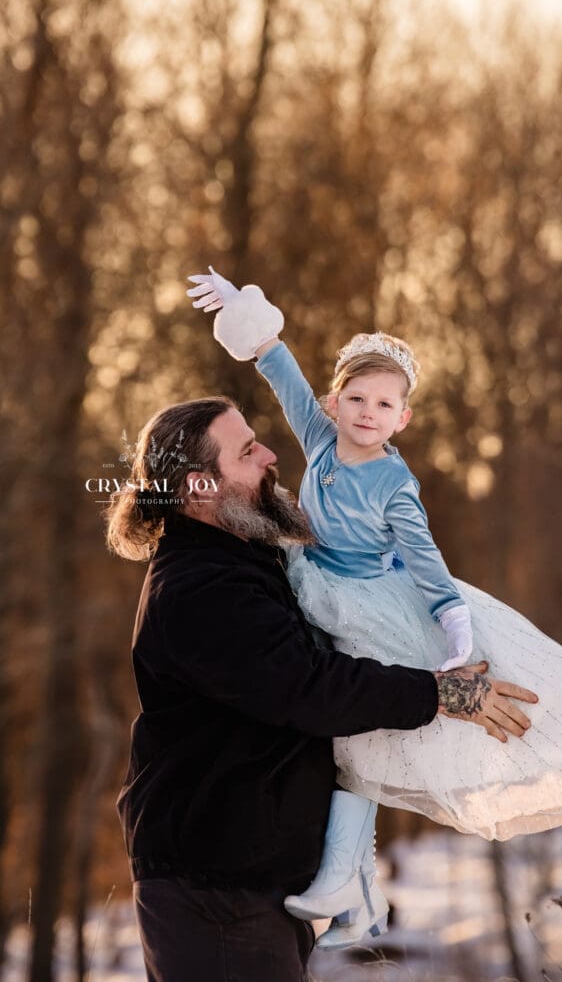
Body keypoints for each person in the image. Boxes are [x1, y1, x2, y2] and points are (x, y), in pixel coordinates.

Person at [188, 268, 562, 951]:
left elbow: (431, 569)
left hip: (374, 610)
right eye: (355, 398)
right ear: (334, 401)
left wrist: (455, 644)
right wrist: (250, 318)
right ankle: (356, 898)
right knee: (340, 743)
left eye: (384, 405)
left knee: (359, 747)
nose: (366, 413)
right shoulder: (321, 438)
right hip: (316, 588)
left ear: (402, 418)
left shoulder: (395, 484)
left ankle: (340, 880)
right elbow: (279, 371)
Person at [107, 394, 539, 982]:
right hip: (215, 889)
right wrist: (443, 694)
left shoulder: (242, 564)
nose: (270, 456)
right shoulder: (200, 589)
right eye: (247, 450)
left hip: (243, 881)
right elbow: (309, 689)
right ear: (199, 487)